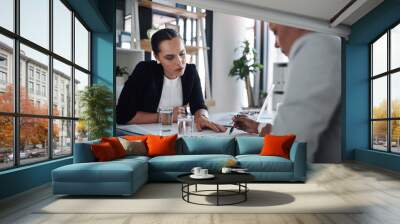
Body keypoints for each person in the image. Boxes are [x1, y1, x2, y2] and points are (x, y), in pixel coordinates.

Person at [233, 23, 341, 163]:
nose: (276, 45)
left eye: (276, 32)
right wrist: (257, 127)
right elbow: (293, 132)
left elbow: (285, 150)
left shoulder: (317, 46)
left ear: (297, 20)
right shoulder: (330, 45)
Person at [116, 28, 226, 133]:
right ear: (157, 57)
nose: (179, 62)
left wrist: (202, 117)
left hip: (174, 133)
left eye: (182, 54)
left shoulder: (190, 72)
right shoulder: (144, 71)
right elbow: (122, 114)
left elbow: (199, 106)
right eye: (169, 57)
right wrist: (164, 117)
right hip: (144, 135)